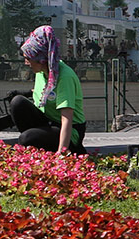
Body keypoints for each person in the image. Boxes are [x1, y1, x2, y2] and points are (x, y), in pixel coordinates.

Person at [10, 25, 87, 154]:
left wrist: (62, 152)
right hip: (47, 120)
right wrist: (24, 94)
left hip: (68, 129)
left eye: (28, 59)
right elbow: (42, 92)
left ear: (41, 60)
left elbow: (66, 119)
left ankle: (74, 149)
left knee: (26, 139)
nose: (26, 63)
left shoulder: (64, 77)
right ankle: (37, 143)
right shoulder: (41, 72)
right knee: (17, 102)